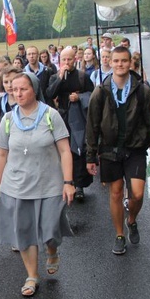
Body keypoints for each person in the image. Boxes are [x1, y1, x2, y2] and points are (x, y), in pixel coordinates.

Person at [0, 73, 74, 297]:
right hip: (16, 186)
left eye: (23, 89)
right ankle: (32, 276)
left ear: (35, 90)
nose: (17, 94)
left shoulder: (51, 115)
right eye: (14, 90)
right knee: (24, 233)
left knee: (51, 230)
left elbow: (65, 150)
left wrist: (68, 182)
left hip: (49, 184)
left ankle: (52, 250)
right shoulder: (8, 119)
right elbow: (1, 154)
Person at [85, 46, 150, 255]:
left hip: (135, 149)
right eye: (116, 61)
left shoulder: (142, 90)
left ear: (130, 63)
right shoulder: (101, 91)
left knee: (136, 194)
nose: (120, 65)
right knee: (116, 192)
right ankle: (119, 234)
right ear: (110, 63)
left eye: (124, 61)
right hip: (110, 151)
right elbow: (92, 126)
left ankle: (132, 220)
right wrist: (90, 155)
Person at [46, 47, 95, 202]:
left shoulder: (83, 77)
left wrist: (79, 97)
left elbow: (92, 96)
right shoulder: (55, 77)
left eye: (70, 59)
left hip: (78, 117)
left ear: (75, 59)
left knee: (78, 149)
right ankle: (67, 181)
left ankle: (79, 185)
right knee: (63, 150)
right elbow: (50, 94)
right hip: (62, 116)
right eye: (64, 60)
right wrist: (60, 78)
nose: (67, 62)